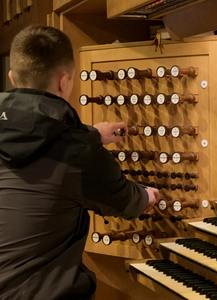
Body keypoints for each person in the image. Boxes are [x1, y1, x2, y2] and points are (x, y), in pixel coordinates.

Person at [0, 25, 160, 300]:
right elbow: (126, 202)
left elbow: (31, 135)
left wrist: (94, 134)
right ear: (64, 81)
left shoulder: (75, 145)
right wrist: (147, 195)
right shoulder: (76, 151)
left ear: (12, 78)